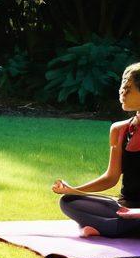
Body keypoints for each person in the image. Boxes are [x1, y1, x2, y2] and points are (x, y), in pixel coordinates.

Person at [53, 62, 140, 238]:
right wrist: (73, 190)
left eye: (128, 87)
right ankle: (116, 227)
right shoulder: (120, 129)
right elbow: (111, 177)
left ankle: (107, 228)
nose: (122, 91)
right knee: (68, 202)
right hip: (124, 206)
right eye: (122, 85)